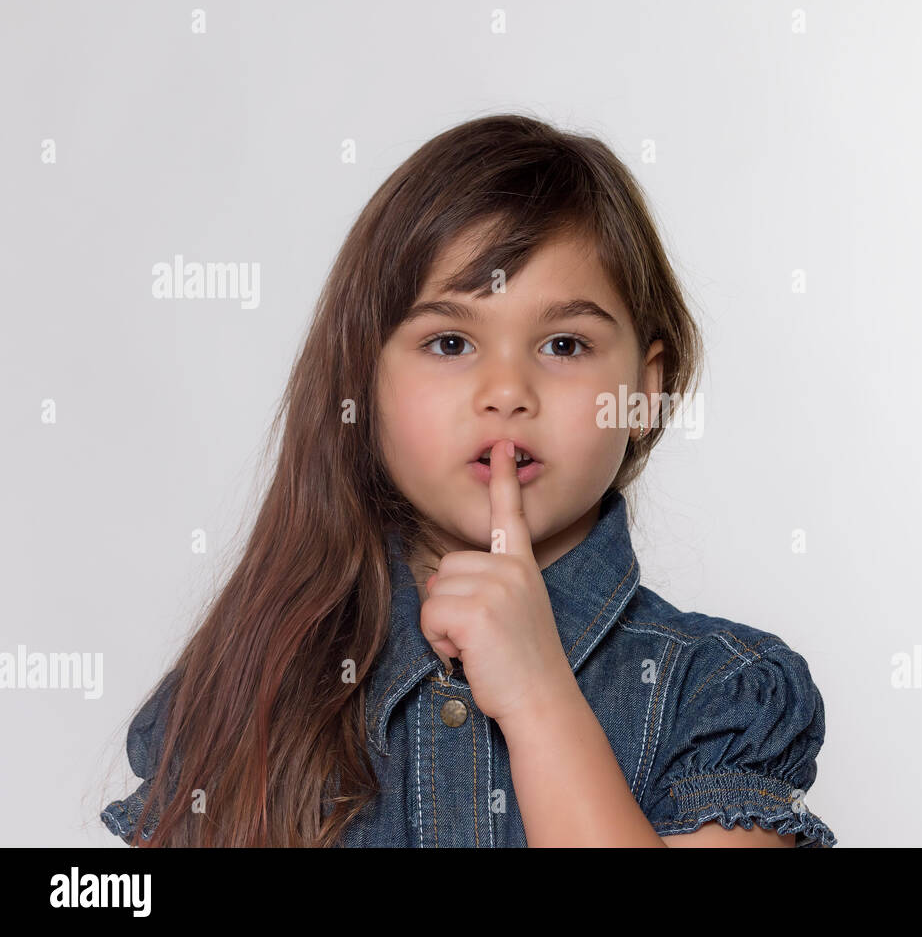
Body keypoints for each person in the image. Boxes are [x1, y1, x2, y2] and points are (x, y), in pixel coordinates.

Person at [100, 113, 836, 847]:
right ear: (366, 381)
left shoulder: (720, 694)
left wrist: (537, 695)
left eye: (564, 344)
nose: (506, 389)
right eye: (450, 342)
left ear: (644, 391)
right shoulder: (243, 687)